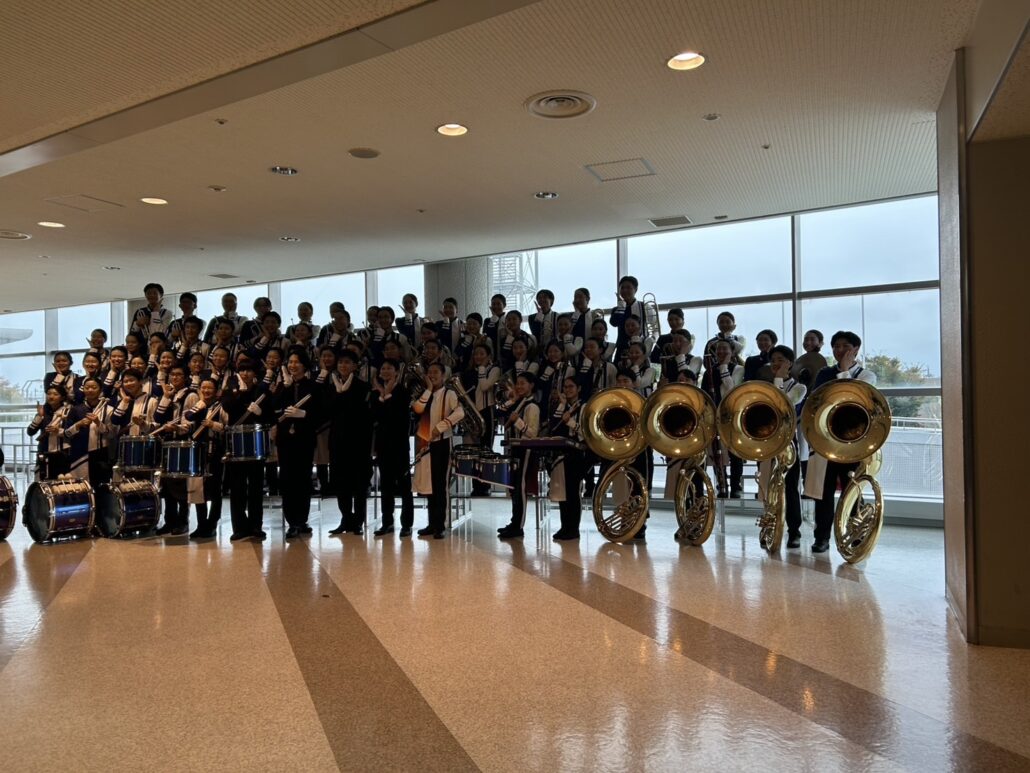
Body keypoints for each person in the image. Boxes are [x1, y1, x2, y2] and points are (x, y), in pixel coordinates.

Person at [803, 331, 878, 553]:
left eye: (845, 346)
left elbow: (850, 398)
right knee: (823, 492)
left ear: (856, 349)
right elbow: (817, 402)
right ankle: (821, 537)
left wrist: (844, 371)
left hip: (853, 441)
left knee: (852, 489)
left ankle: (855, 535)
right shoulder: (824, 373)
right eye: (836, 346)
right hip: (827, 440)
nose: (840, 350)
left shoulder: (867, 375)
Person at [756, 345, 807, 548]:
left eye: (780, 360)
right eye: (773, 360)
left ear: (790, 363)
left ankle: (794, 531)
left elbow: (783, 405)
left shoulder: (799, 387)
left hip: (788, 442)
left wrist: (777, 379)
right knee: (767, 484)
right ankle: (769, 526)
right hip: (767, 440)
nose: (776, 363)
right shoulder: (764, 387)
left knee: (791, 488)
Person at [412, 362, 463, 539]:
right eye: (429, 372)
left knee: (440, 484)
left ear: (443, 375)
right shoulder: (425, 394)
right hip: (425, 443)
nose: (432, 375)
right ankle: (432, 523)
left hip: (442, 443)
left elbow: (460, 412)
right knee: (429, 484)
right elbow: (417, 408)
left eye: (436, 372)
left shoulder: (449, 393)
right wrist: (428, 389)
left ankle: (440, 524)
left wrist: (441, 426)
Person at [274, 350, 322, 538]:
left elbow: (321, 413)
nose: (292, 365)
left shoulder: (313, 387)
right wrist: (285, 388)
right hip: (285, 439)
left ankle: (302, 520)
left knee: (303, 479)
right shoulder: (283, 386)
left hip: (304, 438)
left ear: (304, 365)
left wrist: (305, 415)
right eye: (290, 362)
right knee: (287, 480)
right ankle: (291, 521)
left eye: (297, 362)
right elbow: (274, 409)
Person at [325, 351, 374, 535]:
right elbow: (328, 411)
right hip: (337, 442)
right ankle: (346, 518)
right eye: (340, 362)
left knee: (359, 485)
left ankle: (358, 521)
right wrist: (339, 394)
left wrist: (343, 395)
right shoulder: (332, 387)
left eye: (347, 362)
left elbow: (361, 412)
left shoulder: (363, 386)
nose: (343, 366)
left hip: (358, 443)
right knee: (341, 484)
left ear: (355, 365)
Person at [220, 359, 268, 541]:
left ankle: (256, 526)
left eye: (249, 370)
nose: (245, 374)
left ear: (255, 373)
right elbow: (227, 406)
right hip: (236, 443)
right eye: (242, 370)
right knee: (237, 487)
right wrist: (240, 392)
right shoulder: (231, 388)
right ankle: (239, 527)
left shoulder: (261, 390)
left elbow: (270, 415)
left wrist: (260, 413)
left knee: (256, 487)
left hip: (256, 443)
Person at [370, 358, 416, 536]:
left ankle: (407, 524)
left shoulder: (403, 391)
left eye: (389, 368)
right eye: (383, 368)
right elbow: (376, 416)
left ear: (396, 372)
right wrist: (382, 396)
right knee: (386, 486)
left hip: (399, 445)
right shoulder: (375, 392)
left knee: (405, 486)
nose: (385, 371)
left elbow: (397, 416)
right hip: (383, 445)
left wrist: (387, 396)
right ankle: (387, 522)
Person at [181, 378, 227, 539]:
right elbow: (188, 416)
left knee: (215, 489)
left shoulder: (221, 406)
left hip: (215, 450)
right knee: (198, 488)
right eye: (203, 388)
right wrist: (200, 404)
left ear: (217, 390)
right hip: (198, 450)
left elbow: (228, 427)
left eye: (210, 388)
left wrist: (213, 425)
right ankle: (201, 524)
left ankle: (212, 523)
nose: (206, 391)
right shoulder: (199, 405)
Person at [496, 372, 540, 539]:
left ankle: (518, 526)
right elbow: (499, 412)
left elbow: (532, 433)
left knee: (520, 487)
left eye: (523, 383)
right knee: (515, 487)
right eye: (517, 383)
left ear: (531, 385)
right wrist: (512, 400)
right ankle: (514, 522)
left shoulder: (532, 406)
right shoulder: (520, 403)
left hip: (525, 449)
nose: (519, 386)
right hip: (515, 449)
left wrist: (518, 421)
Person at [702, 339, 745, 498]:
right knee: (716, 450)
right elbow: (705, 395)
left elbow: (730, 389)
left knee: (735, 451)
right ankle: (721, 484)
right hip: (714, 415)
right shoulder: (709, 371)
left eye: (725, 349)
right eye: (718, 349)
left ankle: (735, 485)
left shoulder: (739, 369)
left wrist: (724, 367)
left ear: (732, 352)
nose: (721, 352)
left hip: (731, 415)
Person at [548, 377, 585, 540]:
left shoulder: (583, 407)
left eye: (571, 386)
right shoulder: (564, 407)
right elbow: (554, 426)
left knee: (573, 492)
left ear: (579, 388)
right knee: (563, 492)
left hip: (577, 454)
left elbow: (584, 432)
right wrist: (562, 405)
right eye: (565, 387)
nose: (568, 390)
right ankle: (565, 526)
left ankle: (574, 528)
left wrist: (569, 421)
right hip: (562, 453)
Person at [65, 377, 115, 486]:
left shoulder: (109, 409)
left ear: (100, 390)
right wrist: (78, 425)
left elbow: (111, 434)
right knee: (80, 488)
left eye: (94, 387)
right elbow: (66, 434)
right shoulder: (75, 410)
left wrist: (98, 422)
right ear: (83, 390)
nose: (90, 390)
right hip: (79, 455)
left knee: (101, 488)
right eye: (87, 387)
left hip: (100, 454)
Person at [466, 343, 500, 496]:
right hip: (473, 412)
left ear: (489, 356)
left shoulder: (494, 370)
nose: (478, 357)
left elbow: (485, 386)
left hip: (487, 411)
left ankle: (485, 485)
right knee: (475, 449)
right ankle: (476, 485)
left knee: (486, 448)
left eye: (482, 354)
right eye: (476, 354)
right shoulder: (470, 372)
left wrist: (481, 369)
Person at [27, 386, 73, 479]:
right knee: (42, 480)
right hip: (44, 451)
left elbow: (73, 432)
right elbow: (30, 432)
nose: (51, 397)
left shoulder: (68, 411)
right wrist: (39, 416)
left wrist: (58, 431)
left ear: (62, 397)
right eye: (49, 394)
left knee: (61, 481)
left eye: (55, 394)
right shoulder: (43, 411)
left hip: (62, 452)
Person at [609, 275, 647, 354]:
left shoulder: (645, 307)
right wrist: (622, 306)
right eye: (622, 288)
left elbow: (653, 329)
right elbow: (614, 322)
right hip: (622, 350)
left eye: (628, 287)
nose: (625, 290)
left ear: (635, 290)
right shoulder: (616, 309)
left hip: (640, 350)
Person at [483, 293, 507, 359]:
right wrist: (494, 318)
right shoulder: (487, 321)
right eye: (493, 304)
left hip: (504, 355)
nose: (496, 306)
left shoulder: (508, 320)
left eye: (498, 304)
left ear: (504, 305)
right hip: (490, 356)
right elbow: (487, 335)